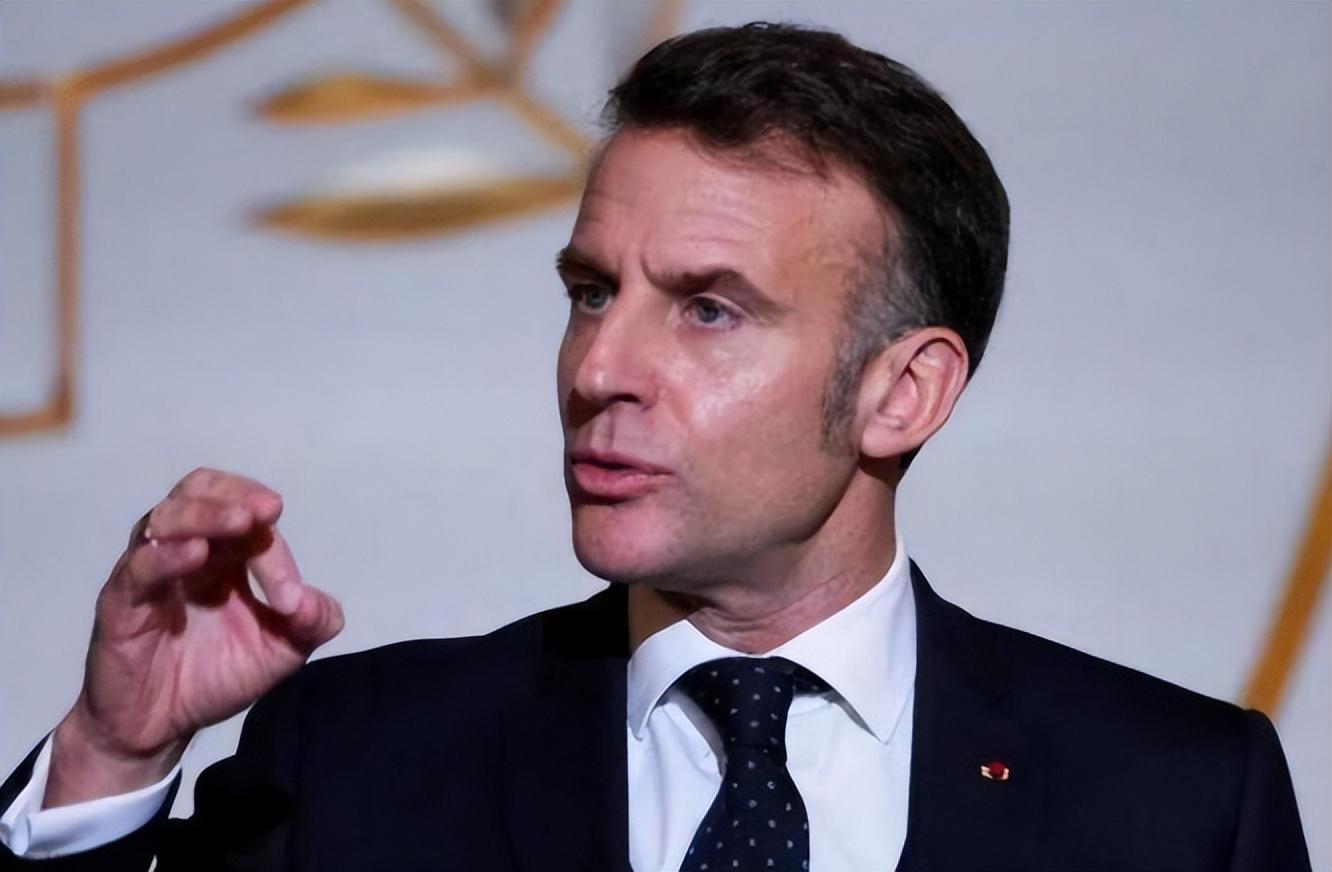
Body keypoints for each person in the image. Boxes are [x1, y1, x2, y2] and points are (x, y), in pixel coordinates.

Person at [0, 22, 1310, 872]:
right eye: (591, 292)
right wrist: (112, 759)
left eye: (708, 309)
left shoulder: (1180, 802)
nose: (597, 370)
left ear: (903, 394)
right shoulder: (356, 761)